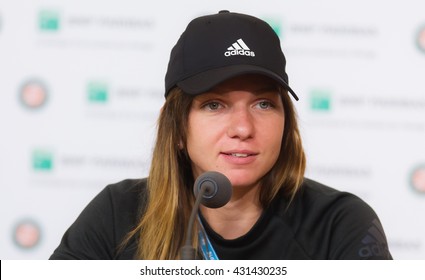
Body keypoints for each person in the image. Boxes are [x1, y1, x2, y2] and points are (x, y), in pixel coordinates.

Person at [49, 10, 392, 260]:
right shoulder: (118, 215)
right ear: (178, 128)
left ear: (286, 121)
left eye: (262, 104)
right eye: (214, 105)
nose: (243, 128)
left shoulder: (339, 224)